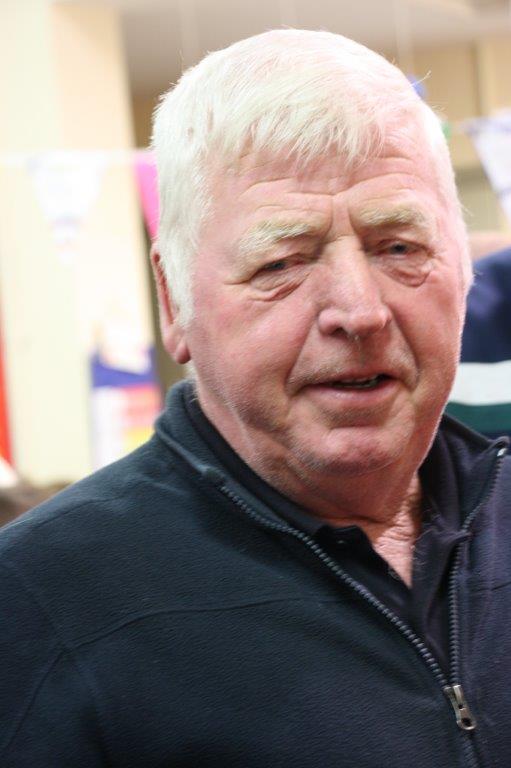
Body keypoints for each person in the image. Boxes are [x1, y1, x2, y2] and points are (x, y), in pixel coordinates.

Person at [1, 29, 510, 768]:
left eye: (399, 246)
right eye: (282, 261)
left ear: (463, 270)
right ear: (174, 300)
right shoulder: (38, 602)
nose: (359, 311)